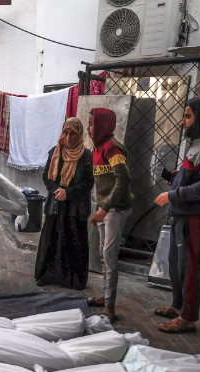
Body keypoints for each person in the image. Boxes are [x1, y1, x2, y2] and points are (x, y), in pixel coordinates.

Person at [154, 96, 200, 334]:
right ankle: (178, 306)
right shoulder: (199, 141)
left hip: (197, 216)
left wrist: (172, 196)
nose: (183, 121)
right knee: (177, 266)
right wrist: (177, 178)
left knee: (191, 268)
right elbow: (195, 175)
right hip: (184, 214)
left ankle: (188, 318)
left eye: (187, 116)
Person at [34, 117, 94, 290]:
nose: (68, 138)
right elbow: (46, 176)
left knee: (73, 240)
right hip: (56, 204)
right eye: (66, 133)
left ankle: (73, 280)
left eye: (73, 134)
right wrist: (57, 190)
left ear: (79, 134)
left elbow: (88, 182)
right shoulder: (55, 152)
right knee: (52, 240)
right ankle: (48, 275)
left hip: (75, 207)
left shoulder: (86, 155)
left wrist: (68, 192)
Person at [86, 108, 134, 322]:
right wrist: (100, 208)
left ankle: (110, 306)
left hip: (115, 209)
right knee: (102, 255)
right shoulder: (97, 149)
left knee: (109, 257)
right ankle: (106, 297)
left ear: (103, 126)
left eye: (92, 124)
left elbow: (123, 179)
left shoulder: (112, 148)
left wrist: (104, 208)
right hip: (106, 207)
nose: (89, 128)